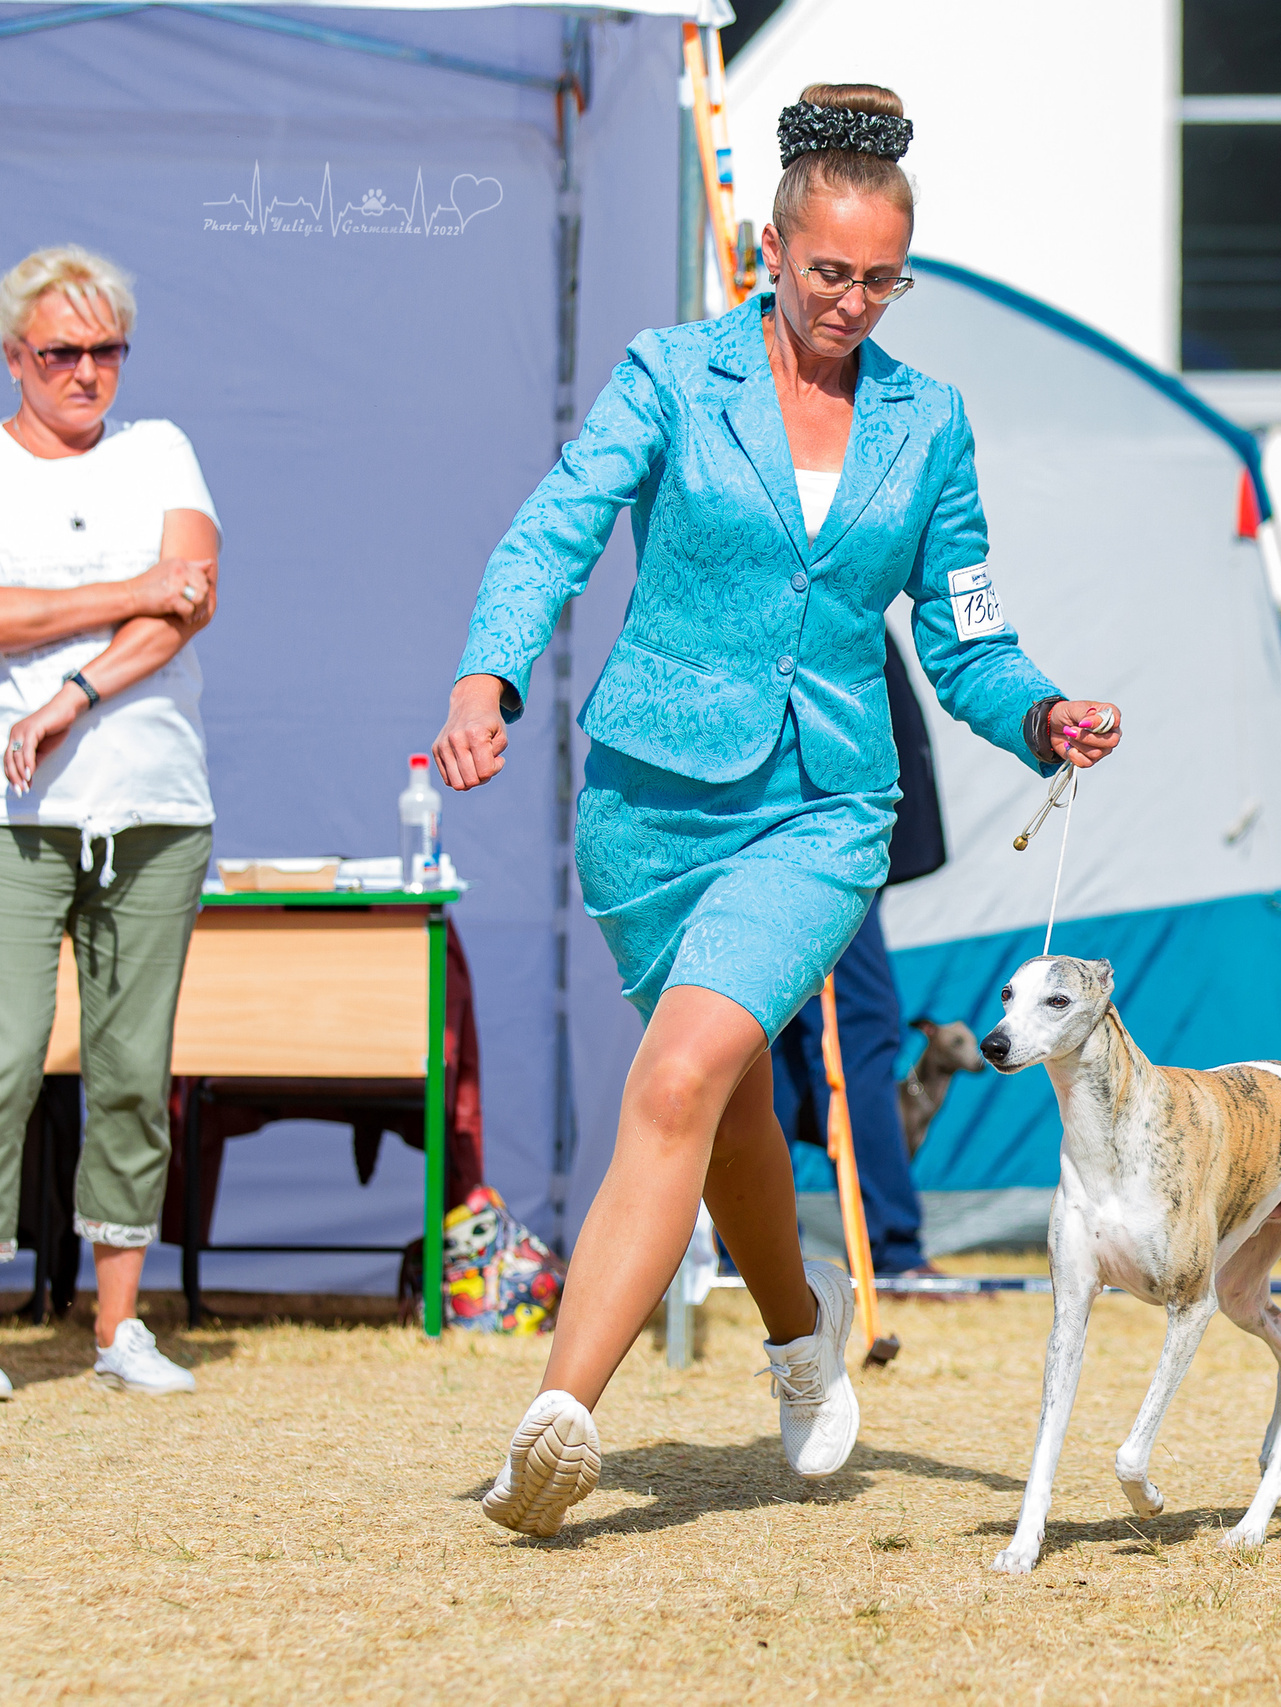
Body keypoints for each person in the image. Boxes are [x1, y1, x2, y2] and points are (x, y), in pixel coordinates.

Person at [431, 83, 1121, 1536]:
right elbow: (556, 524)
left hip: (821, 805)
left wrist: (1039, 709)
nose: (855, 303)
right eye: (830, 273)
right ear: (770, 248)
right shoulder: (673, 375)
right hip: (648, 799)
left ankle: (556, 1424)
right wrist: (490, 670)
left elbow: (969, 638)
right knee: (728, 1093)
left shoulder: (929, 425)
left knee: (680, 1075)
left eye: (883, 279)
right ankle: (802, 1341)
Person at [0, 244, 222, 1401]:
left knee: (133, 1069)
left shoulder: (163, 449)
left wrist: (74, 692)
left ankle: (116, 1324)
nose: (86, 373)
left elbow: (196, 599)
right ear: (13, 358)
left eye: (105, 351)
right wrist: (135, 589)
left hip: (150, 801)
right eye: (61, 353)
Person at [769, 633, 946, 1278]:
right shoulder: (807, 560)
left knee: (783, 1051)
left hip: (823, 833)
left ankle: (750, 1244)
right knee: (860, 1030)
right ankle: (889, 1247)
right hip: (820, 838)